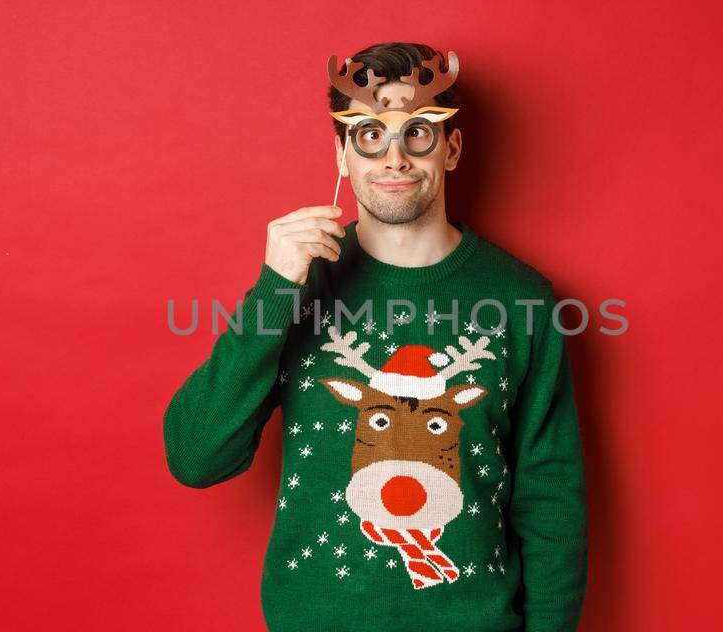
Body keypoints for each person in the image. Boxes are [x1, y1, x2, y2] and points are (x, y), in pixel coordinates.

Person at [163, 41, 588, 631]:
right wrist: (271, 291)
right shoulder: (293, 288)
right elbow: (195, 457)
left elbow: (550, 498)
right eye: (368, 134)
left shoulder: (523, 300)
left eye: (417, 132)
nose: (394, 158)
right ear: (342, 154)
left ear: (452, 148)